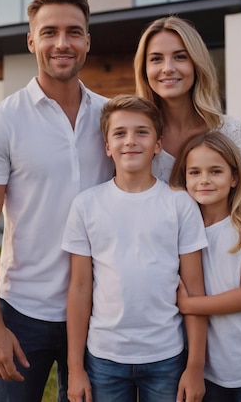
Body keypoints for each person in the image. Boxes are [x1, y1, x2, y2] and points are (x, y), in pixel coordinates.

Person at [0, 0, 115, 402]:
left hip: (99, 310)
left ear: (87, 40)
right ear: (32, 41)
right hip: (21, 312)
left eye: (73, 32)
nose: (61, 43)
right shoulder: (1, 122)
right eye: (49, 32)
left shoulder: (113, 119)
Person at [63, 95, 208, 402]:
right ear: (107, 146)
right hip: (104, 357)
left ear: (158, 144)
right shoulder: (86, 206)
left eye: (142, 132)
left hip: (166, 356)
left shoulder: (180, 203)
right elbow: (78, 288)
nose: (130, 141)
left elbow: (195, 288)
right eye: (120, 133)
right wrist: (75, 367)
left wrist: (195, 366)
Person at [170, 131, 241, 401]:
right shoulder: (182, 227)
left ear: (234, 177)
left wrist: (189, 305)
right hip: (209, 370)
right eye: (194, 172)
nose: (204, 180)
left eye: (216, 171)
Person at [133, 16, 241, 194]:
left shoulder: (233, 132)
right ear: (144, 69)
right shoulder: (132, 137)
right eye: (156, 59)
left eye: (180, 57)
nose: (167, 68)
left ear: (196, 64)